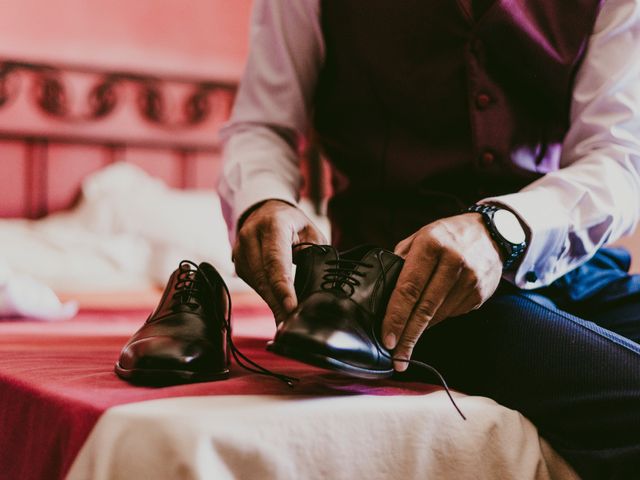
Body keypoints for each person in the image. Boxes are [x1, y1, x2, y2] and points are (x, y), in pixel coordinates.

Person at [218, 0, 640, 478]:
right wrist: (263, 200)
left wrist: (503, 227)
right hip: (401, 288)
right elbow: (263, 125)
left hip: (575, 268)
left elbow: (618, 158)